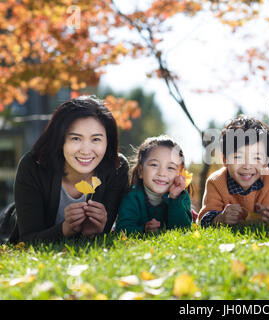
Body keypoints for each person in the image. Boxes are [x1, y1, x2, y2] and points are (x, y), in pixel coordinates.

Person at [14, 95, 129, 242]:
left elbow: (102, 233)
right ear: (60, 139)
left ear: (108, 142)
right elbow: (28, 240)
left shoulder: (117, 168)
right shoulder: (33, 166)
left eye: (96, 139)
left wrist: (94, 232)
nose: (86, 150)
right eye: (76, 138)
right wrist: (65, 229)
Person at [198, 115, 269, 227]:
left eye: (256, 158)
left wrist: (268, 217)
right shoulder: (216, 181)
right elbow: (204, 218)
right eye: (238, 157)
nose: (247, 166)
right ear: (225, 160)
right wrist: (220, 218)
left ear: (266, 162)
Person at [115, 136, 192, 234]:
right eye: (154, 165)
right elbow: (122, 229)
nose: (162, 173)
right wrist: (143, 230)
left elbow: (183, 230)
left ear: (180, 174)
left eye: (171, 168)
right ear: (140, 171)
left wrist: (174, 198)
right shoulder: (132, 197)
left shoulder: (181, 197)